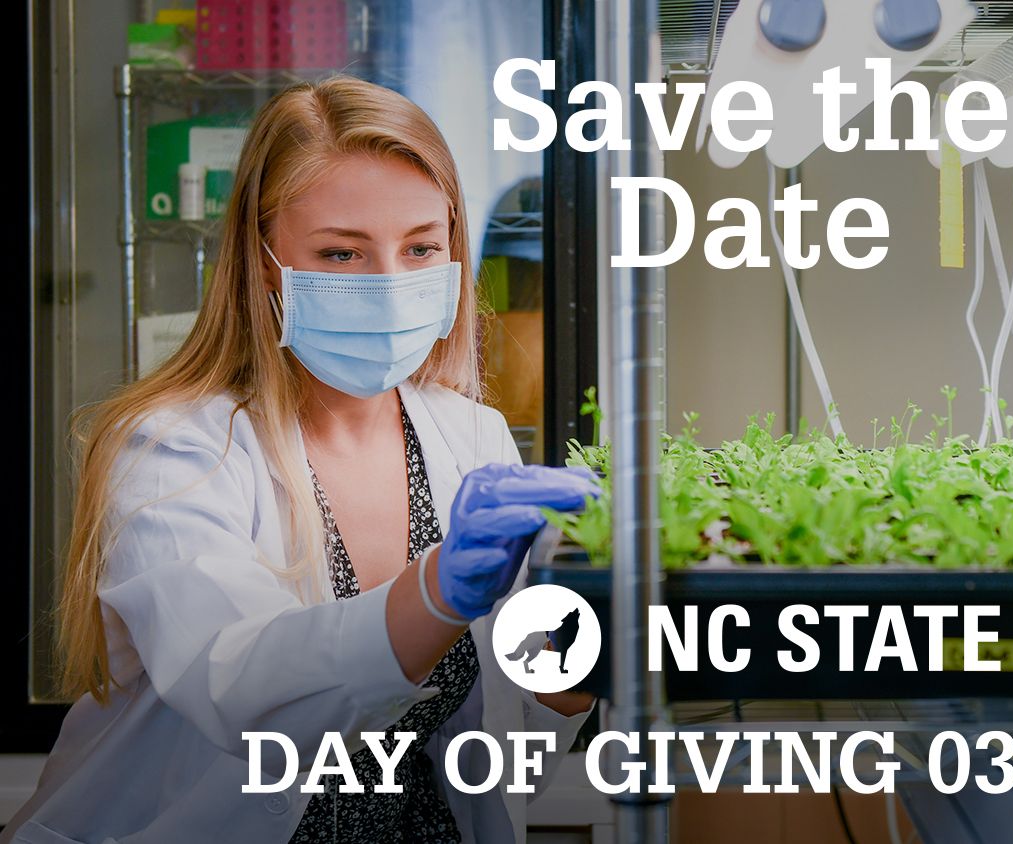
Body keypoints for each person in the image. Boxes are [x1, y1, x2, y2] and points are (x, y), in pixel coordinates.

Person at [3, 76, 599, 844]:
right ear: (264, 261)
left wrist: (575, 662)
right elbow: (242, 692)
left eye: (421, 246)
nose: (391, 284)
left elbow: (499, 764)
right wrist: (436, 591)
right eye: (342, 253)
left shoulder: (473, 437)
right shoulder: (174, 449)